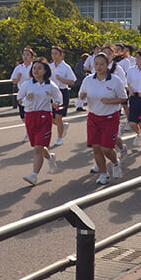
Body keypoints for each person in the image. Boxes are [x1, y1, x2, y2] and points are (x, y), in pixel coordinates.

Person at [76, 53, 128, 185]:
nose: (98, 67)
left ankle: (115, 163)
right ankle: (104, 174)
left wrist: (111, 101)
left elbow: (124, 98)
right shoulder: (88, 80)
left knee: (106, 148)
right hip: (93, 117)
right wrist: (81, 96)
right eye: (96, 64)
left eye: (102, 64)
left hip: (110, 117)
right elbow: (81, 94)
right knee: (96, 148)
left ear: (107, 65)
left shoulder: (115, 80)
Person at [17, 58, 62, 186]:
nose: (36, 70)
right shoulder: (27, 84)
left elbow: (58, 98)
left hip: (44, 117)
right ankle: (50, 158)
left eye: (39, 68)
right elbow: (19, 99)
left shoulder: (50, 85)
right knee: (38, 146)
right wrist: (26, 99)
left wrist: (56, 103)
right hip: (30, 117)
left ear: (45, 71)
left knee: (38, 148)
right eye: (34, 68)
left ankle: (34, 175)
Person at [48, 46, 76, 147]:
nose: (54, 56)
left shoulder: (66, 67)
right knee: (51, 118)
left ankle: (59, 138)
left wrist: (61, 79)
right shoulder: (49, 66)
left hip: (62, 93)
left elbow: (72, 81)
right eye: (52, 53)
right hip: (51, 94)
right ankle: (63, 126)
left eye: (56, 53)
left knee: (58, 117)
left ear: (61, 55)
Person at [10, 48, 37, 142]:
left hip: (32, 93)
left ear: (32, 57)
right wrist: (18, 78)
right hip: (21, 93)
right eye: (24, 55)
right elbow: (13, 81)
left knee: (30, 114)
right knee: (23, 116)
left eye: (28, 55)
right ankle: (30, 130)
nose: (25, 57)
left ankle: (29, 133)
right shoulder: (18, 68)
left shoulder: (35, 67)